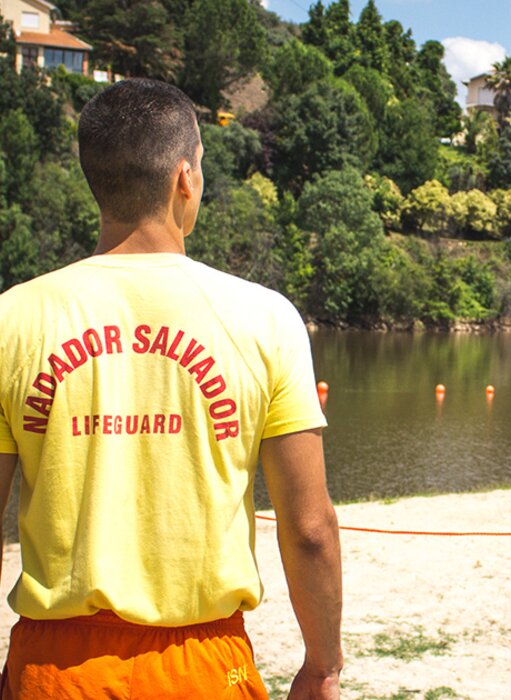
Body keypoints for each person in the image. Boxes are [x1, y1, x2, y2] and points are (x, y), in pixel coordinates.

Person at [0, 78, 343, 699]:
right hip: (202, 665)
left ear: (94, 179)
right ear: (185, 178)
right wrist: (323, 665)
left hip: (53, 668)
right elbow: (310, 527)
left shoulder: (13, 318)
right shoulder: (264, 318)